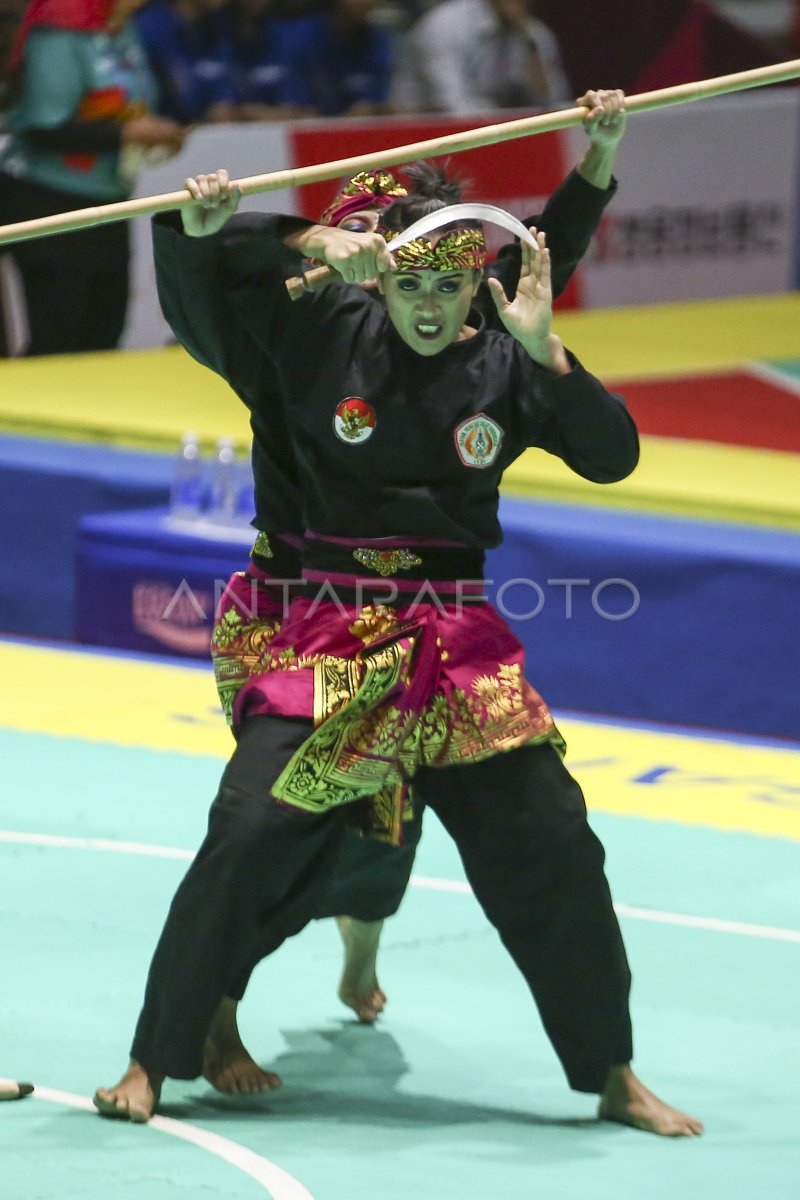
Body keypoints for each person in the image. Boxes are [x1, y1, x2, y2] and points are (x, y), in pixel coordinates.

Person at [95, 143, 702, 1136]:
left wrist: (555, 341)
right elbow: (218, 294)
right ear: (376, 265)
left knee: (549, 839)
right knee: (253, 830)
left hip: (456, 647)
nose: (426, 303)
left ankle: (609, 1071)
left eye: (450, 284)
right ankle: (157, 1054)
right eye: (403, 274)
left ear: (477, 283)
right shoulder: (313, 326)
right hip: (322, 634)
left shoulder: (509, 349)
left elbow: (610, 451)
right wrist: (251, 233)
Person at [165, 90, 628, 1054]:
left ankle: (360, 954)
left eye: (422, 263)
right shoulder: (285, 340)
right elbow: (206, 276)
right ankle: (211, 1011)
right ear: (343, 255)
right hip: (294, 618)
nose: (401, 274)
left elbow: (534, 266)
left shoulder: (461, 330)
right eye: (369, 245)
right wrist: (287, 237)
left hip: (421, 624)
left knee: (390, 824)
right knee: (286, 826)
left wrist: (595, 161)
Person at [0, 0, 187, 355]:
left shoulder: (123, 28)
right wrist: (126, 134)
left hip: (109, 199)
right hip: (49, 203)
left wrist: (152, 132)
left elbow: (127, 103)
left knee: (105, 332)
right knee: (60, 339)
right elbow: (42, 125)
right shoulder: (59, 29)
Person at [391, 0, 571, 114]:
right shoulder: (445, 25)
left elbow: (554, 104)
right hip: (422, 131)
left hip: (490, 128)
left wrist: (532, 51)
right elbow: (452, 106)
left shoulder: (533, 34)